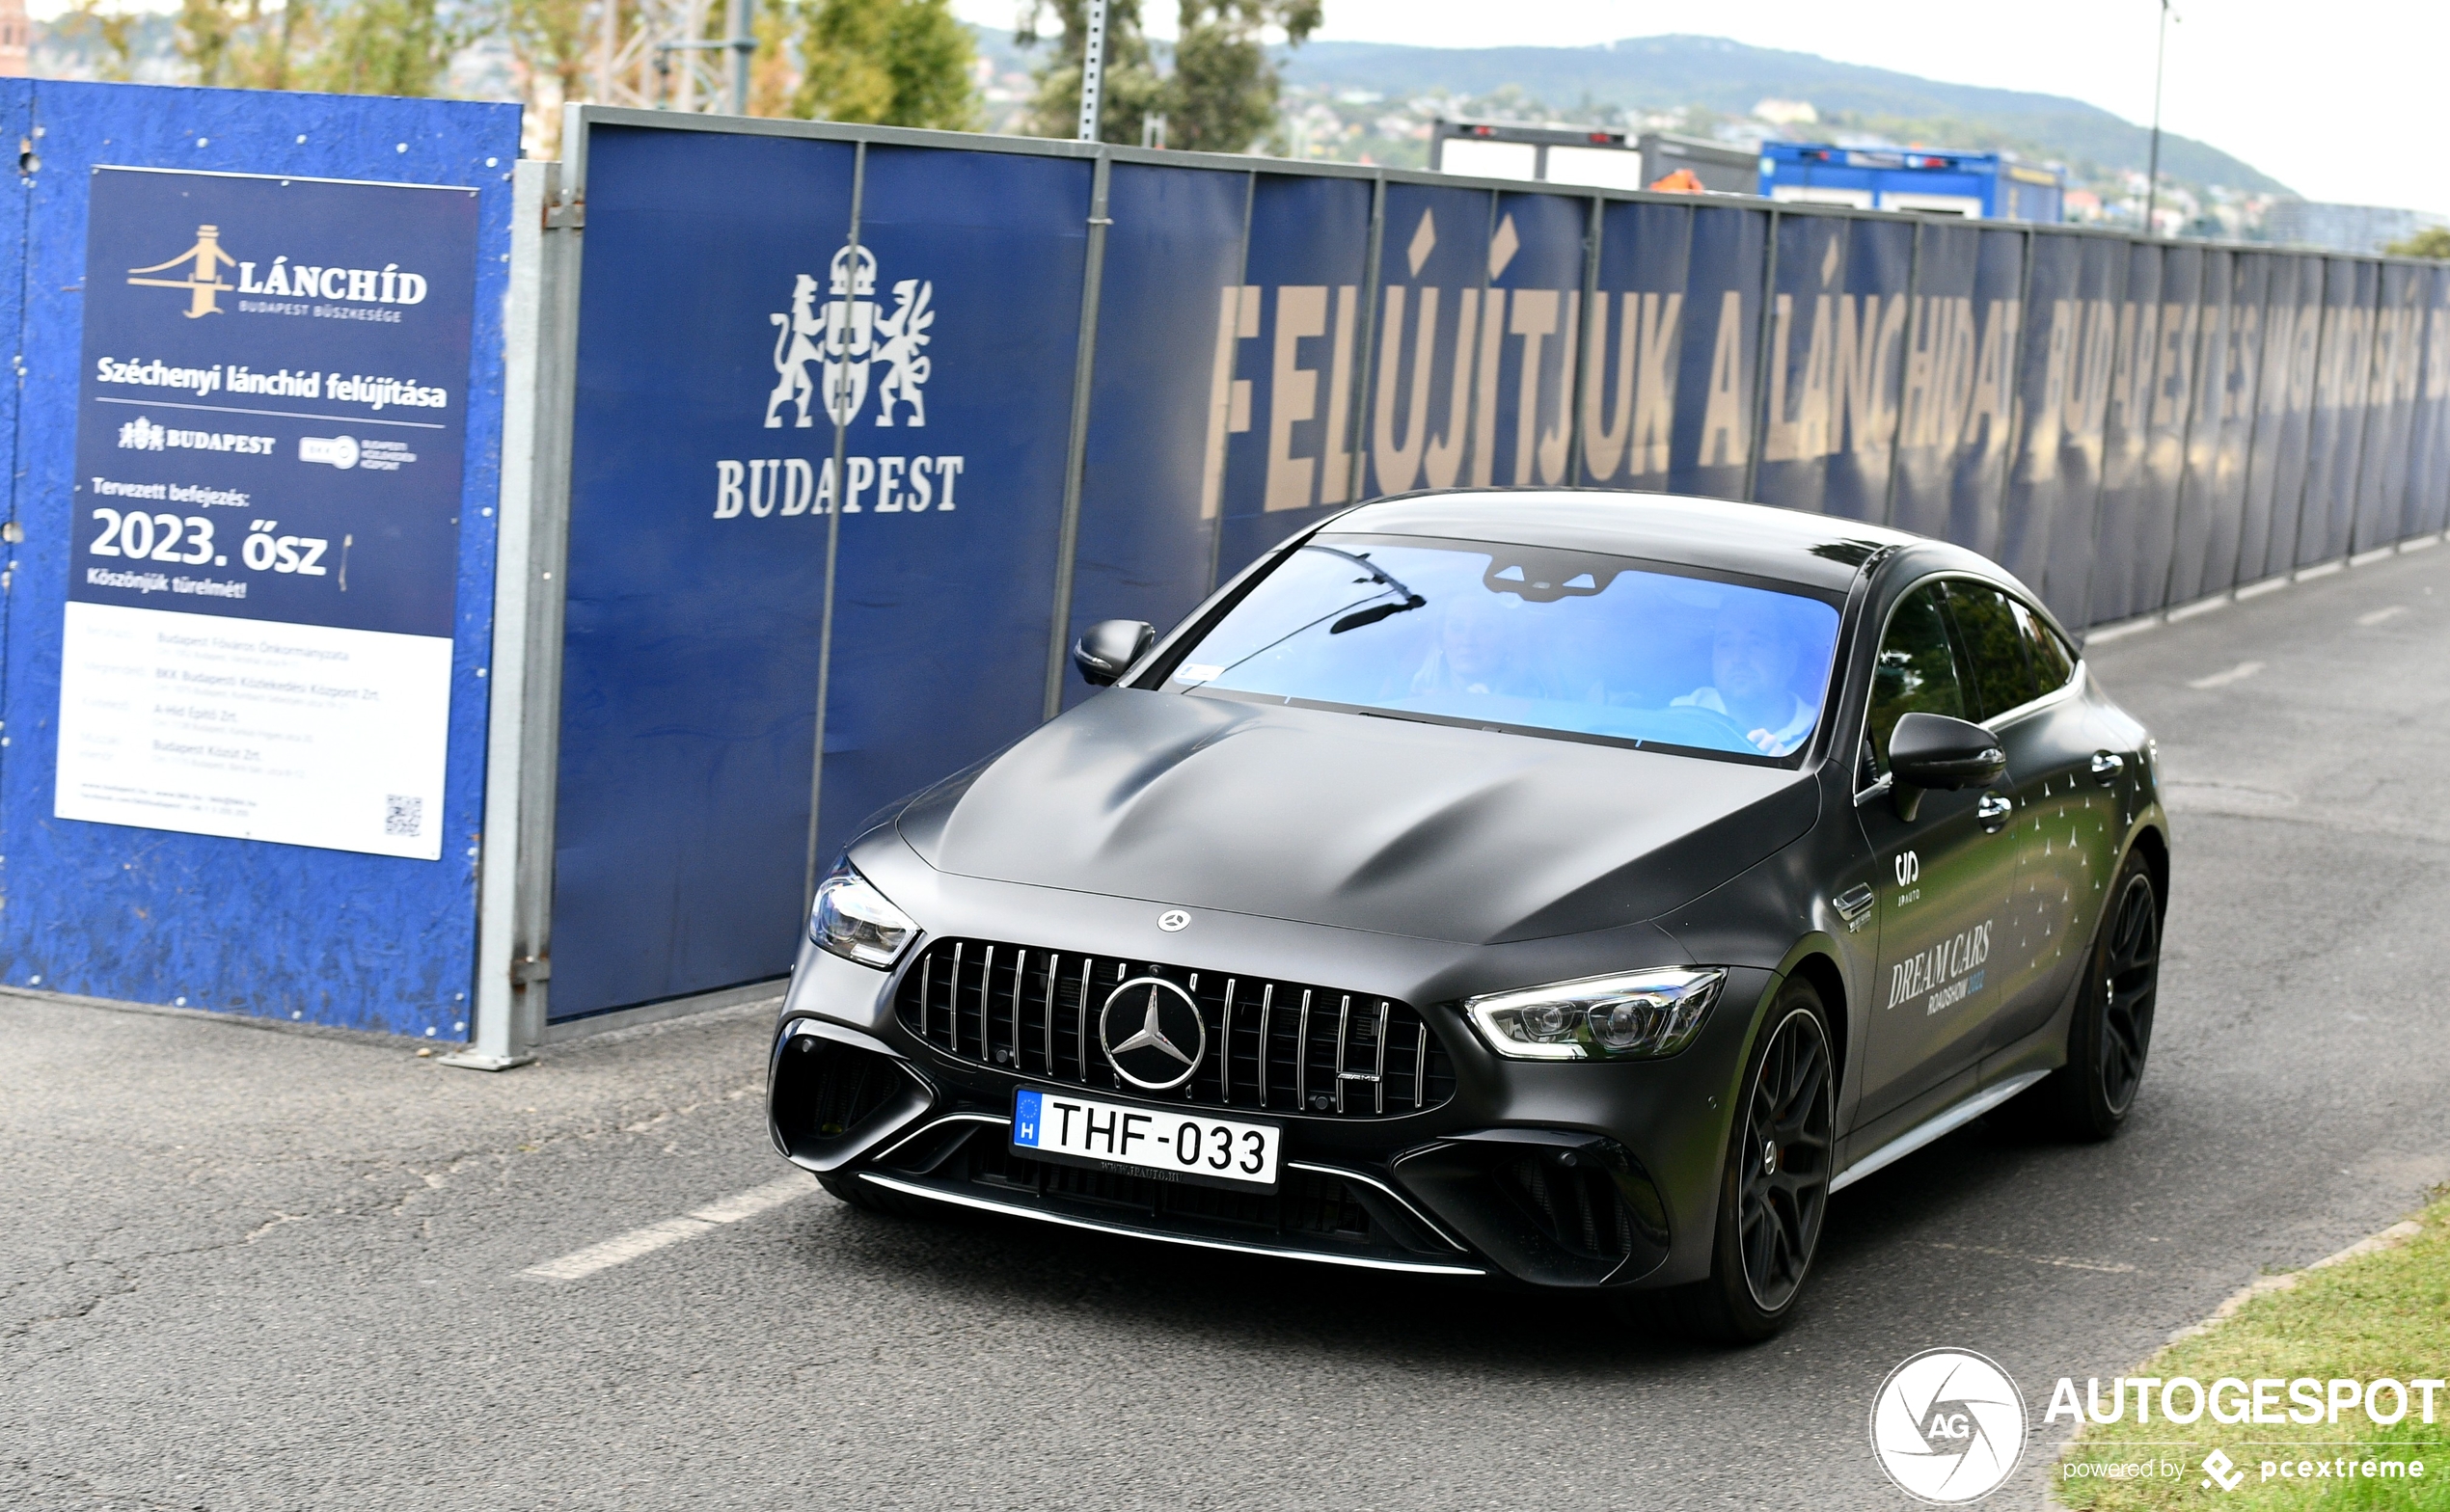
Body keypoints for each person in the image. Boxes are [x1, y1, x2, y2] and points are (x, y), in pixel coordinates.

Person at [1672, 594, 1819, 756]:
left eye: (1756, 643)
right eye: (1726, 643)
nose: (1738, 658)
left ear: (1789, 658)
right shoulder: (1682, 715)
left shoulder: (1820, 737)